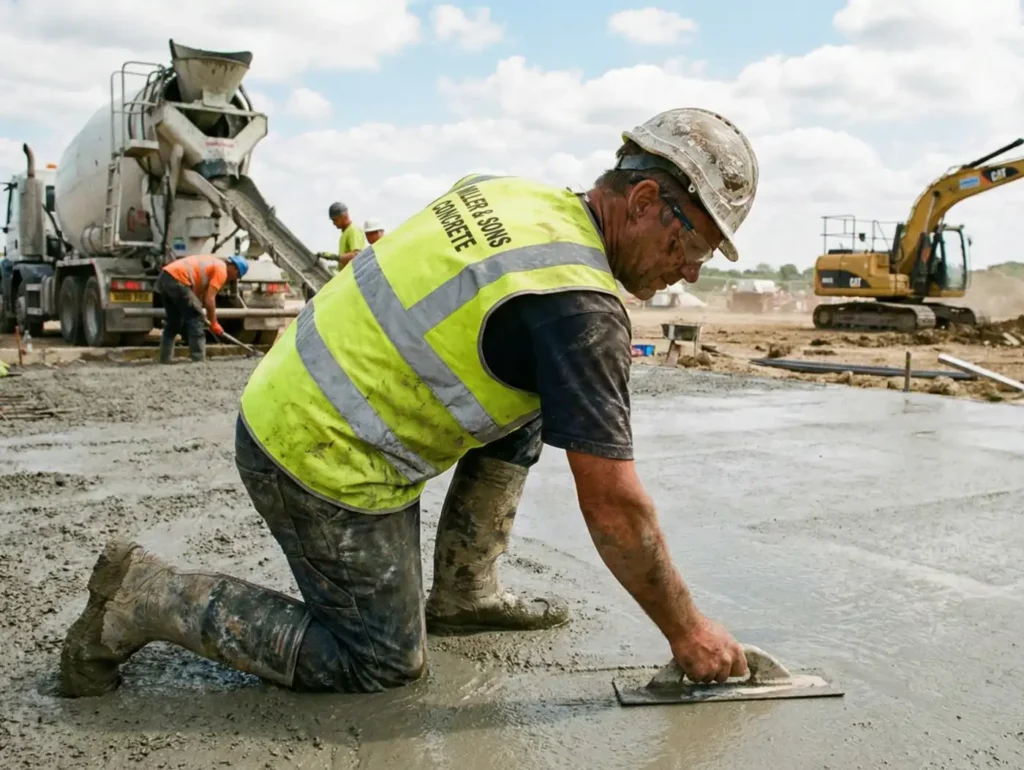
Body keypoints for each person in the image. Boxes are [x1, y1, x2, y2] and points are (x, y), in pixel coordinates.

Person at [60, 107, 760, 697]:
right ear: (642, 203)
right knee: (382, 664)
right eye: (693, 242)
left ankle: (464, 591)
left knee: (537, 395)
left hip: (295, 389)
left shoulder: (516, 194)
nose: (692, 269)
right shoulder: (578, 312)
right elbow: (613, 504)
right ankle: (145, 595)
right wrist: (688, 632)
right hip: (317, 456)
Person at [156, 254, 248, 364]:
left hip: (165, 277)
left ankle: (165, 358)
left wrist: (200, 309)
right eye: (237, 276)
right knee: (196, 318)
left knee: (174, 321)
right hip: (178, 279)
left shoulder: (214, 262)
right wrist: (213, 322)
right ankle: (198, 359)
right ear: (234, 268)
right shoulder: (222, 270)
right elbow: (210, 299)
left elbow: (200, 296)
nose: (234, 279)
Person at [329, 201, 367, 269]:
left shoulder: (353, 230)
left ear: (344, 216)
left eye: (335, 220)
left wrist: (334, 257)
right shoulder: (345, 233)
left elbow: (356, 255)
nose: (333, 223)